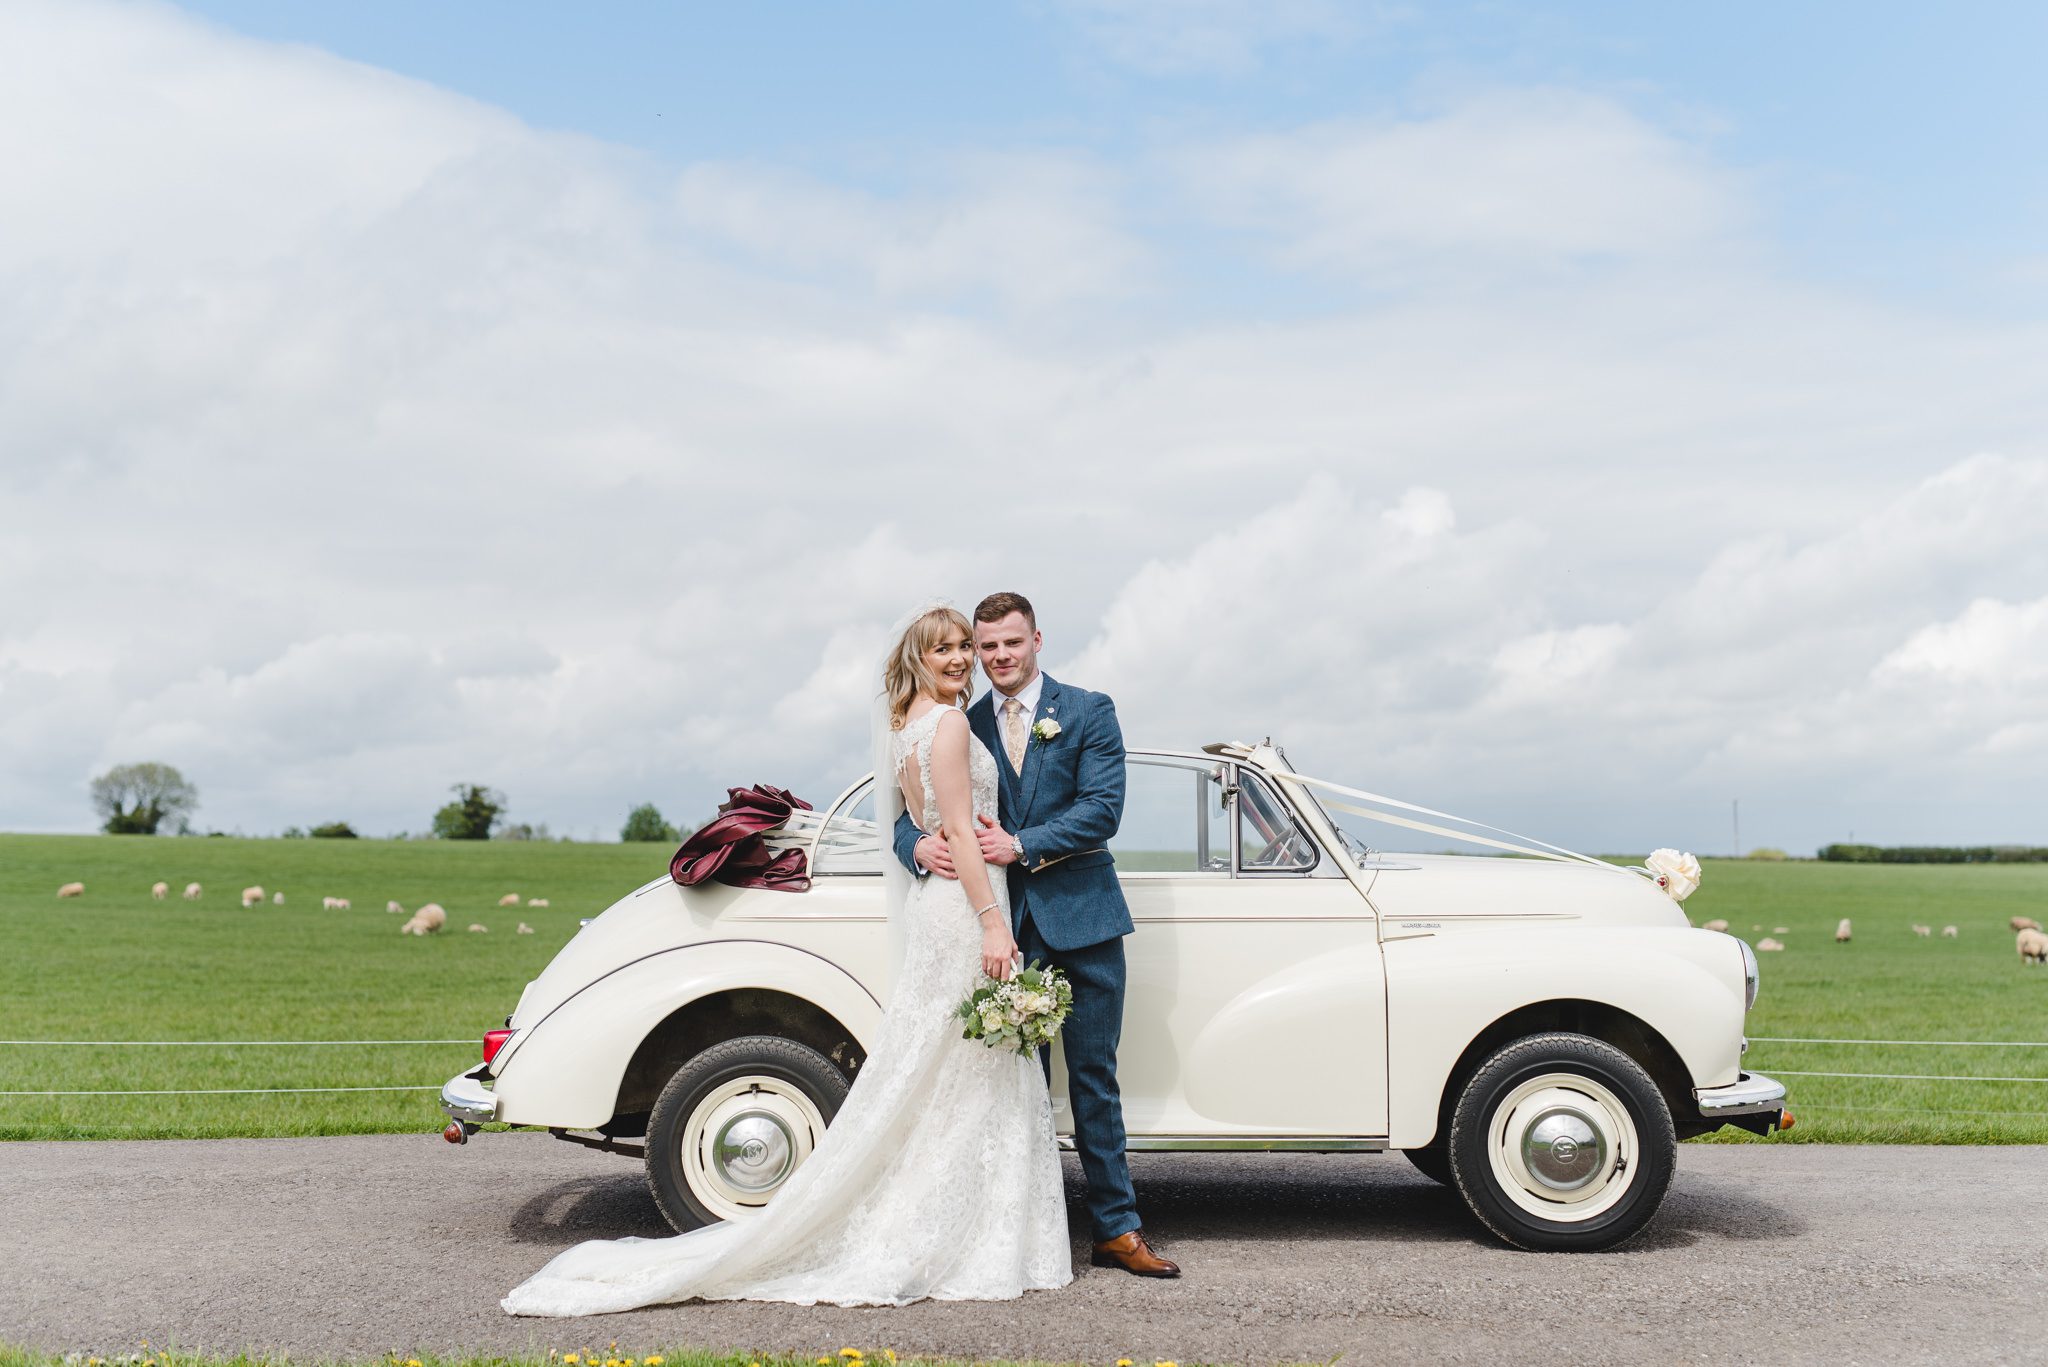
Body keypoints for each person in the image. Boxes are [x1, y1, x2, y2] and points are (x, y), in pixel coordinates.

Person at [502, 603, 1070, 1315]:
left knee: (939, 1068)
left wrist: (945, 859)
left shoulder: (907, 727)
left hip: (938, 906)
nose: (960, 658)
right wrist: (994, 924)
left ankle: (945, 1216)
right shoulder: (952, 723)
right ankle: (963, 1228)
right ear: (919, 657)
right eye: (945, 648)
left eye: (965, 647)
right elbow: (955, 827)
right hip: (963, 908)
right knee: (964, 1067)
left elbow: (919, 823)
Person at [894, 591, 1180, 1278]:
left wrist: (1021, 844)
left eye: (1007, 645)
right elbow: (918, 806)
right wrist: (915, 847)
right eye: (985, 647)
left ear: (1036, 640)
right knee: (1006, 1090)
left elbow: (1101, 810)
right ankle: (1020, 1232)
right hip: (1000, 930)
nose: (995, 658)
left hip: (1082, 920)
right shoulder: (959, 719)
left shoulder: (1088, 710)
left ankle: (1117, 1227)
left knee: (1093, 1077)